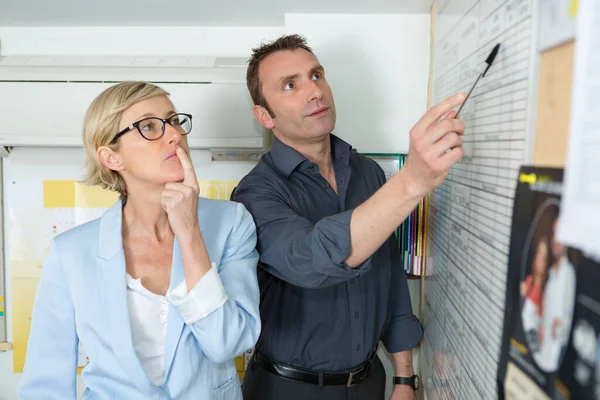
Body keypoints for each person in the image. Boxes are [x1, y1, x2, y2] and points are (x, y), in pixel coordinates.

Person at [231, 34, 466, 400]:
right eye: (290, 85)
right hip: (287, 389)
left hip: (369, 384)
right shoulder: (255, 193)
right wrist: (412, 181)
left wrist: (404, 378)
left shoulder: (368, 173)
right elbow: (311, 260)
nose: (315, 91)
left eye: (316, 75)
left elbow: (389, 273)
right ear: (264, 115)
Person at [18, 81, 261, 399]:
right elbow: (45, 384)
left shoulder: (231, 223)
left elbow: (227, 343)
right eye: (149, 126)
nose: (175, 134)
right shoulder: (71, 253)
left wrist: (189, 233)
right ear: (111, 157)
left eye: (174, 120)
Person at [535, 218, 576, 373]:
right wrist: (540, 324)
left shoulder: (569, 274)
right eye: (554, 234)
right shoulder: (551, 273)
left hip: (554, 357)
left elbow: (568, 319)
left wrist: (558, 329)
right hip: (541, 350)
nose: (554, 240)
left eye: (559, 235)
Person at [520, 238, 549, 353]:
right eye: (539, 253)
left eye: (544, 257)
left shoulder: (546, 293)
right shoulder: (528, 281)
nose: (541, 259)